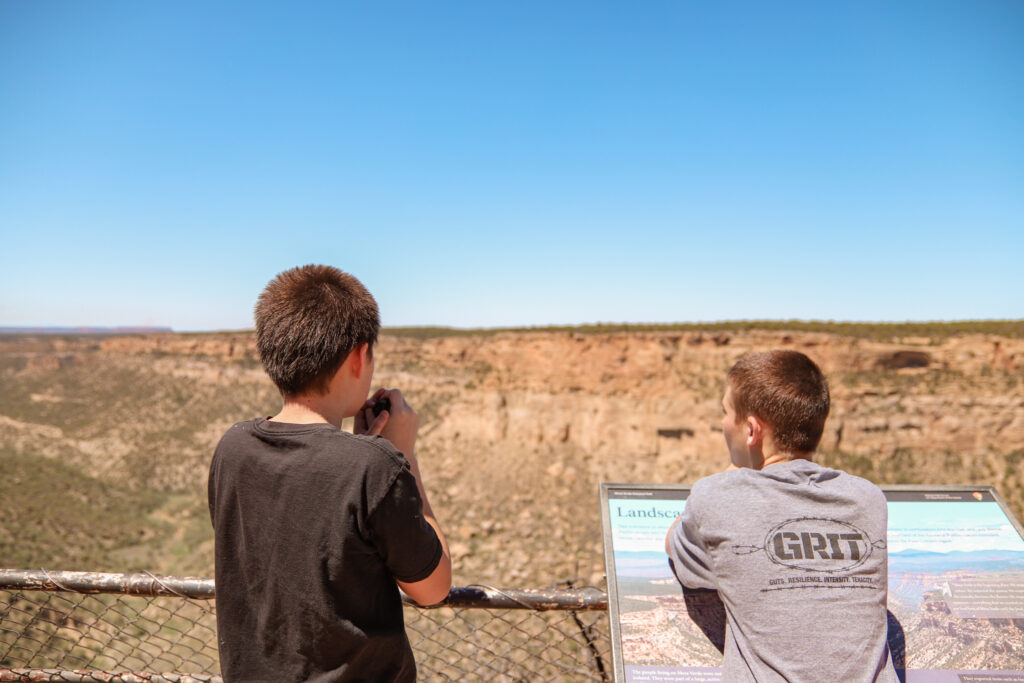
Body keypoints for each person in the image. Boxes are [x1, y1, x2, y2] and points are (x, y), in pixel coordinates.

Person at [208, 264, 451, 682]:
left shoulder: (233, 446)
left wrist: (361, 446)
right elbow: (433, 589)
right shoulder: (375, 467)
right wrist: (402, 454)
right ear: (359, 356)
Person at [665, 350, 898, 682]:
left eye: (725, 411)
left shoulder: (716, 497)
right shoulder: (868, 498)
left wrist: (740, 465)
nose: (721, 422)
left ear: (750, 430)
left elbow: (675, 544)